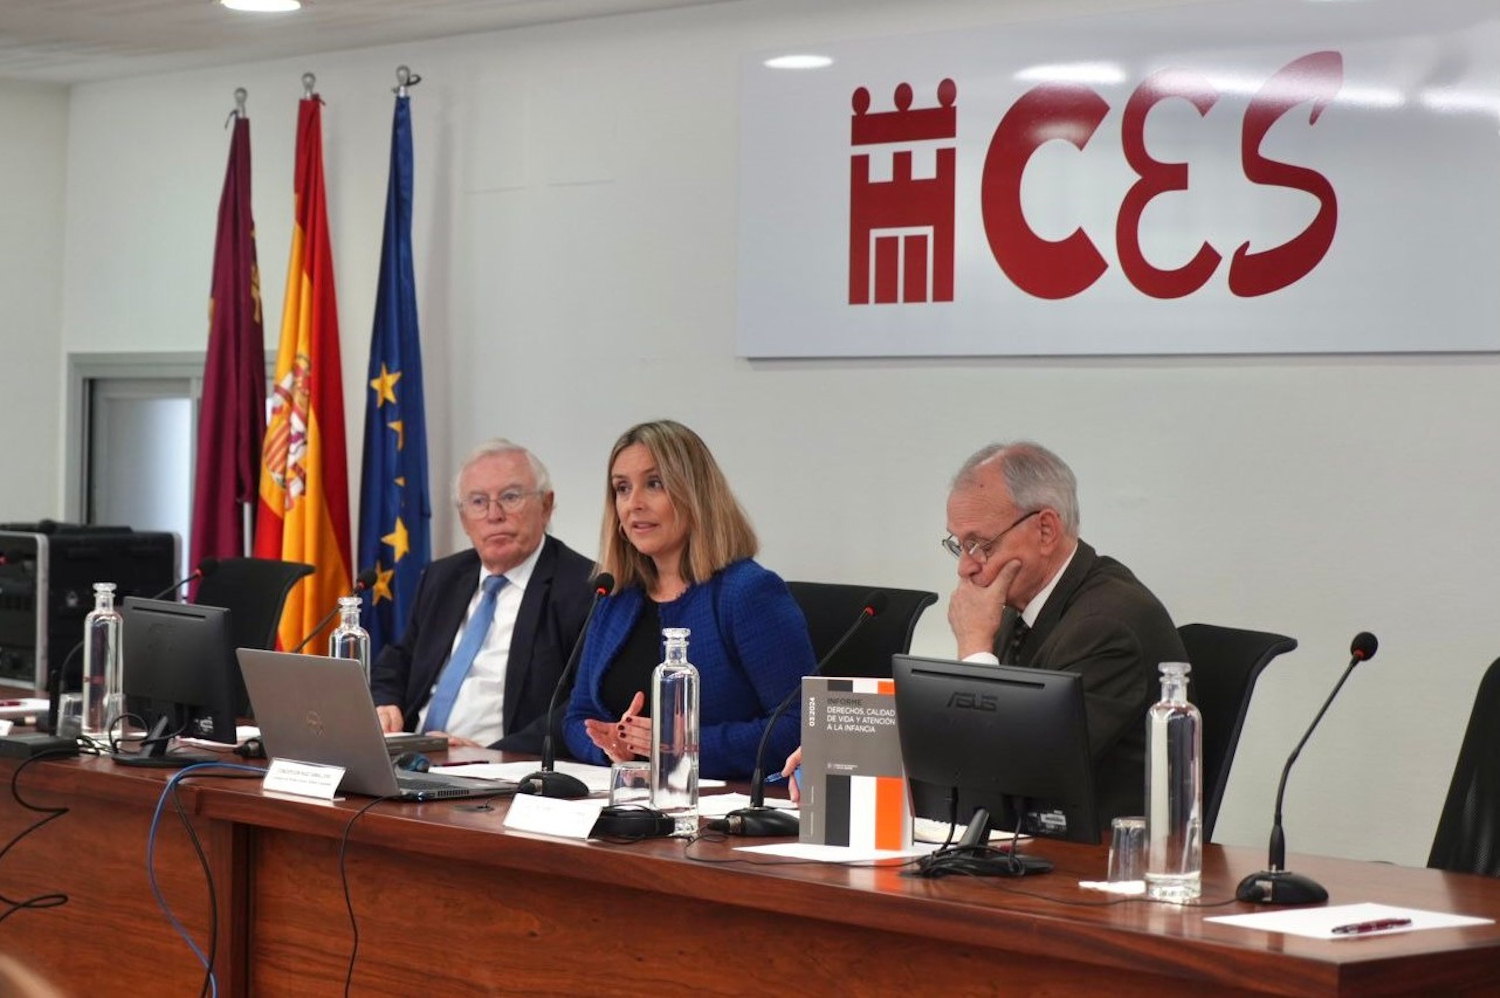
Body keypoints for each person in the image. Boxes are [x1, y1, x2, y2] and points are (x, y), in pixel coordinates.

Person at [942, 441, 1187, 821]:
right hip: (1031, 848)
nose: (966, 568)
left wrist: (975, 648)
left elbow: (1014, 770)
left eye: (980, 544)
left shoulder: (1107, 627)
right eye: (959, 546)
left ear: (1045, 530)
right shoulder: (1018, 607)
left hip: (1100, 862)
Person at [562, 420, 815, 780]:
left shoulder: (748, 592)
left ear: (695, 494)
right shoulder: (614, 595)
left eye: (654, 484)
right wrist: (609, 748)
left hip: (721, 811)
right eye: (621, 488)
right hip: (626, 799)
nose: (633, 504)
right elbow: (577, 716)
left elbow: (801, 725)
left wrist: (683, 748)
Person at [369, 439, 595, 754]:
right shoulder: (443, 577)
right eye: (478, 502)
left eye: (510, 497)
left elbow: (579, 706)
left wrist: (493, 755)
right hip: (413, 756)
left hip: (502, 769)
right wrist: (385, 702)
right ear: (463, 519)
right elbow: (399, 659)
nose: (494, 514)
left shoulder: (584, 588)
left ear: (546, 506)